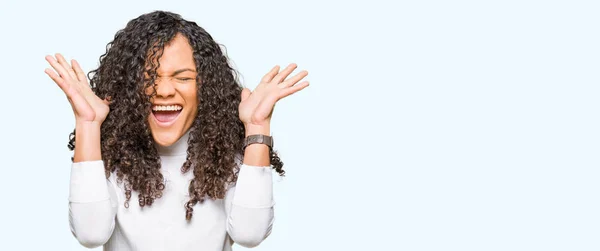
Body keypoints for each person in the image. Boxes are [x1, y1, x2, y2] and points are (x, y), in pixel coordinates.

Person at [44, 10, 309, 251]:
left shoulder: (228, 156)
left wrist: (257, 128)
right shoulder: (110, 156)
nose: (163, 90)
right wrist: (88, 125)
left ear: (204, 86)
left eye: (182, 77)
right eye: (148, 77)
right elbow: (91, 234)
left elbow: (250, 234)